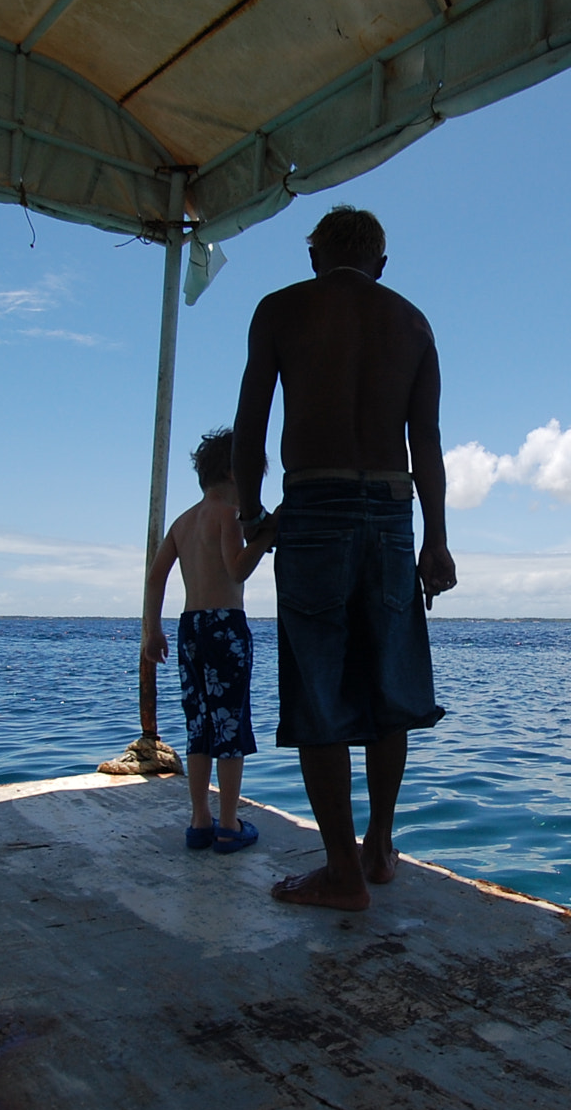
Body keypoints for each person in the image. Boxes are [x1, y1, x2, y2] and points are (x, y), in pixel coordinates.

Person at [232, 205, 456, 911]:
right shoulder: (413, 323)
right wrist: (436, 538)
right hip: (393, 515)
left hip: (315, 508)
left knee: (319, 690)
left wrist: (249, 513)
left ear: (314, 256)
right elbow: (427, 444)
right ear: (381, 263)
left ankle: (341, 872)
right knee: (389, 689)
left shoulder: (280, 310)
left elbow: (251, 425)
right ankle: (380, 849)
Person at [141, 428, 276, 853]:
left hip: (190, 628)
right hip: (225, 627)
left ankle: (200, 820)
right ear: (234, 473)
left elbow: (156, 577)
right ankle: (229, 823)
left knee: (199, 726)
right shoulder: (227, 516)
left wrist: (152, 630)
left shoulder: (184, 521)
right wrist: (267, 536)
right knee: (230, 725)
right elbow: (236, 570)